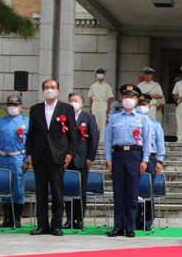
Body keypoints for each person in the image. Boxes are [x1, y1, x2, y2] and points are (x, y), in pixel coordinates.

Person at [25, 78, 79, 236]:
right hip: (39, 155)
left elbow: (73, 134)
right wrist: (29, 153)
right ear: (43, 90)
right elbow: (31, 133)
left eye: (53, 87)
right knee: (40, 192)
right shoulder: (35, 109)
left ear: (58, 90)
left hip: (58, 156)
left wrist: (70, 153)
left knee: (57, 192)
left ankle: (56, 225)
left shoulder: (66, 108)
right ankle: (42, 225)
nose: (50, 90)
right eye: (47, 87)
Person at [105, 83, 153, 237]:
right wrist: (108, 158)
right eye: (126, 96)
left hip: (134, 155)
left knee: (132, 192)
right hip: (118, 155)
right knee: (118, 192)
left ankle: (130, 226)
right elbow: (107, 139)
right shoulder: (113, 118)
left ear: (137, 100)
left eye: (131, 97)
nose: (128, 99)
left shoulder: (142, 119)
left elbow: (147, 141)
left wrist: (145, 160)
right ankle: (118, 226)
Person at [0, 95, 28, 228]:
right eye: (10, 105)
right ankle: (7, 218)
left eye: (15, 105)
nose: (12, 107)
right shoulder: (0, 122)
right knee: (4, 188)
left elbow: (29, 143)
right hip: (2, 157)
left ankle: (17, 219)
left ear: (21, 107)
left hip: (17, 158)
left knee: (18, 189)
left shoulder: (26, 122)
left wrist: (27, 160)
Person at [65, 92, 99, 230]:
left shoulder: (88, 117)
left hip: (82, 158)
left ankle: (79, 219)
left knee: (80, 190)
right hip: (66, 159)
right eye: (71, 100)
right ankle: (69, 219)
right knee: (67, 190)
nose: (73, 102)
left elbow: (94, 138)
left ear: (82, 103)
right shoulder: (63, 116)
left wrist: (90, 157)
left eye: (76, 100)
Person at [135, 93, 165, 231]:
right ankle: (135, 218)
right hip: (134, 155)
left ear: (149, 106)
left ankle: (148, 219)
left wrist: (160, 160)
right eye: (140, 104)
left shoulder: (154, 124)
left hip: (151, 157)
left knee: (148, 190)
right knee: (134, 190)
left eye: (145, 105)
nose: (142, 107)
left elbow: (160, 142)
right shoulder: (132, 121)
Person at [87, 68, 114, 142]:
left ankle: (102, 140)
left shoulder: (107, 86)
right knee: (95, 122)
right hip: (95, 103)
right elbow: (90, 97)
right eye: (98, 73)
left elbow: (110, 98)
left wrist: (108, 108)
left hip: (103, 103)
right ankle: (95, 139)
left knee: (102, 121)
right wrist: (90, 107)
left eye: (101, 73)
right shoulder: (93, 86)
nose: (99, 75)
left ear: (104, 75)